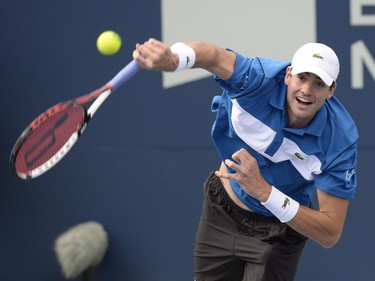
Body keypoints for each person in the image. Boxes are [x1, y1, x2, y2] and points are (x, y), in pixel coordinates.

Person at [133, 39, 358, 281]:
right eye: (302, 77)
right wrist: (176, 60)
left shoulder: (339, 142)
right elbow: (214, 56)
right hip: (221, 212)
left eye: (319, 83)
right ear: (288, 75)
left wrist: (265, 193)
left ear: (331, 90)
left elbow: (329, 232)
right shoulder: (258, 80)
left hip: (278, 236)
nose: (306, 90)